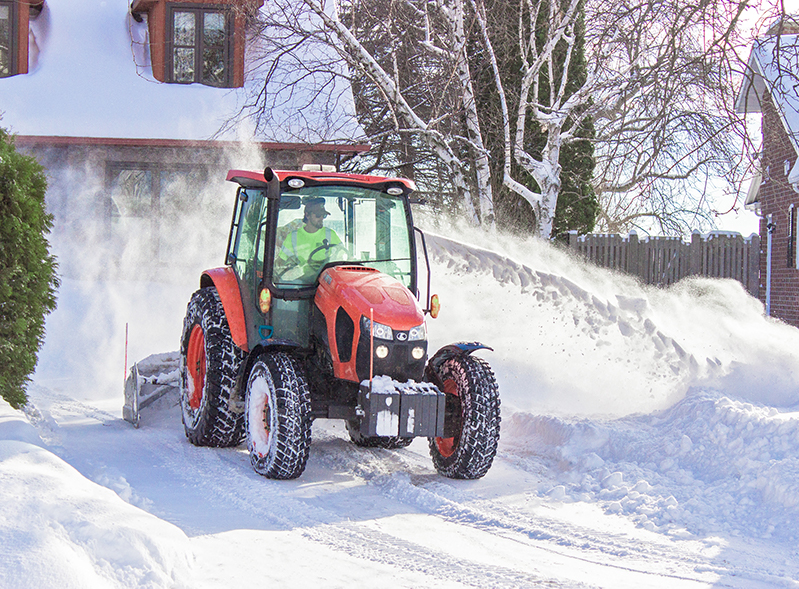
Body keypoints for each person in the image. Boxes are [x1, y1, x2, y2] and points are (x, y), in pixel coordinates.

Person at [275, 197, 344, 282]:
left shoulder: (330, 234)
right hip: (301, 281)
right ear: (307, 215)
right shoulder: (293, 237)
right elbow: (281, 263)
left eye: (324, 215)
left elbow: (343, 255)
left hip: (325, 279)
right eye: (318, 215)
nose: (321, 218)